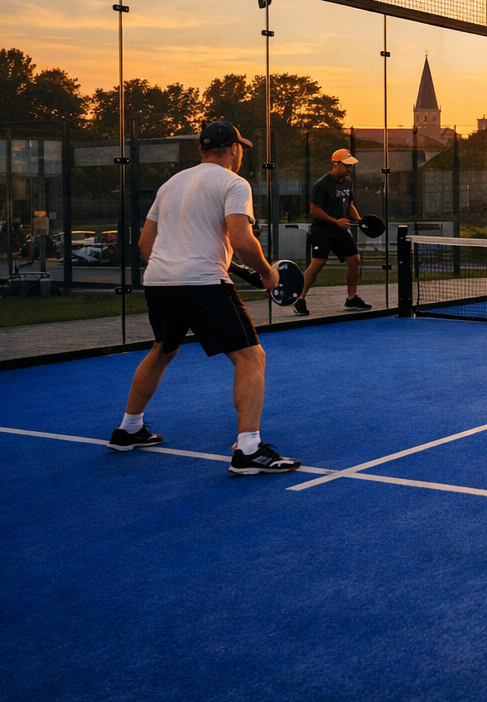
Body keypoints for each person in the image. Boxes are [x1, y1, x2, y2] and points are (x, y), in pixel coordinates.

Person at [107, 120, 301, 475]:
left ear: (202, 150)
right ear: (233, 149)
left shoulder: (170, 184)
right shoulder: (233, 182)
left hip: (159, 280)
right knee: (250, 356)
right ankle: (248, 449)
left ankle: (128, 429)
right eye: (240, 147)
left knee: (163, 349)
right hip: (200, 281)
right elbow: (242, 241)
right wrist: (268, 273)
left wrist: (175, 269)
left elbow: (145, 245)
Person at [295, 148, 372, 315]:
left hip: (341, 229)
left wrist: (359, 221)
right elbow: (314, 209)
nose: (349, 169)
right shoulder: (322, 184)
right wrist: (336, 221)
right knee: (317, 264)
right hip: (322, 230)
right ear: (335, 164)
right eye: (346, 165)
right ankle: (299, 299)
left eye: (351, 165)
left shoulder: (348, 183)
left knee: (354, 260)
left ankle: (351, 299)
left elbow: (349, 206)